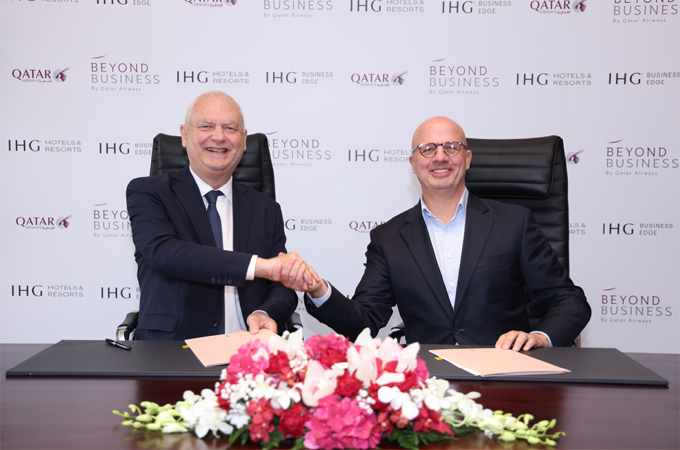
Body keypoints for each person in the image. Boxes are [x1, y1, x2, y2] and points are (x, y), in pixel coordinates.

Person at [289, 116, 590, 351]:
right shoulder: (389, 238)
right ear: (414, 164)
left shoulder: (514, 223)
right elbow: (363, 322)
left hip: (503, 374)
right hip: (426, 385)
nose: (440, 157)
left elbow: (569, 300)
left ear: (467, 159)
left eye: (451, 147)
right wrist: (319, 290)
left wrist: (539, 337)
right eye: (428, 149)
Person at [126, 91, 317, 340]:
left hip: (247, 348)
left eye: (230, 128)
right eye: (206, 126)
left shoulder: (266, 208)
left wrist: (265, 312)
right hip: (172, 350)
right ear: (185, 135)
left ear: (244, 140)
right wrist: (261, 267)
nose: (218, 136)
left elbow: (281, 285)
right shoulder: (149, 192)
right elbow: (166, 254)